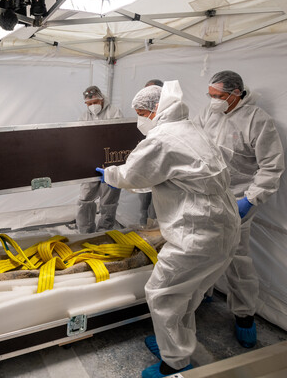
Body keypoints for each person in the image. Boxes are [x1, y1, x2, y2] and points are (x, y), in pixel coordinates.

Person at [97, 82, 240, 377]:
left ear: (153, 111)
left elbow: (133, 174)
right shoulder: (190, 127)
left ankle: (173, 365)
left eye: (140, 113)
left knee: (162, 293)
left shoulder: (162, 137)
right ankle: (176, 344)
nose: (140, 120)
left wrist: (109, 174)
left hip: (197, 232)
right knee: (187, 294)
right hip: (225, 225)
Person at [194, 70, 285, 348]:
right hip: (207, 194)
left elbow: (271, 166)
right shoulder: (209, 114)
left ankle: (244, 315)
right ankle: (204, 293)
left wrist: (251, 199)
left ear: (237, 94)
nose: (214, 102)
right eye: (211, 96)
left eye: (219, 97)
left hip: (237, 199)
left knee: (237, 259)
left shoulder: (258, 121)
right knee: (201, 248)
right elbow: (191, 139)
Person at [76, 85, 124, 233]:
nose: (92, 106)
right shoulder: (84, 117)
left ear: (102, 100)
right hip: (90, 163)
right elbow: (78, 137)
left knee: (108, 201)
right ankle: (85, 232)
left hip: (110, 163)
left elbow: (119, 135)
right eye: (89, 104)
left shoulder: (114, 112)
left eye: (94, 102)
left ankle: (105, 232)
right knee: (85, 199)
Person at [138, 79, 164, 225]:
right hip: (145, 170)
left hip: (160, 176)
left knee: (156, 209)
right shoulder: (145, 118)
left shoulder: (170, 124)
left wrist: (115, 176)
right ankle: (143, 229)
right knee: (143, 204)